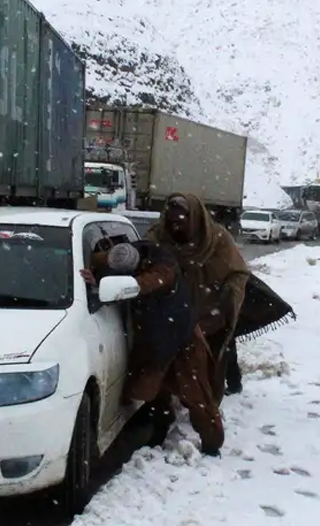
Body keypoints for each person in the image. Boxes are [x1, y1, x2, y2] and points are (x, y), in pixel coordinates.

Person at [81, 239, 226, 456]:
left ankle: (212, 444)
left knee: (196, 395)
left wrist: (122, 286)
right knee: (156, 391)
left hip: (181, 339)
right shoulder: (123, 253)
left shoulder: (163, 267)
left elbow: (149, 282)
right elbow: (100, 260)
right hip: (154, 339)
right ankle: (159, 430)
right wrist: (96, 277)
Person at [146, 193, 251, 404]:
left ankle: (210, 407)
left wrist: (226, 300)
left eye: (181, 221)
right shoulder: (158, 237)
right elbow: (139, 261)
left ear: (194, 217)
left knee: (214, 361)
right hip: (173, 313)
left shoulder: (217, 239)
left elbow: (238, 272)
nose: (176, 227)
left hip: (211, 312)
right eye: (172, 221)